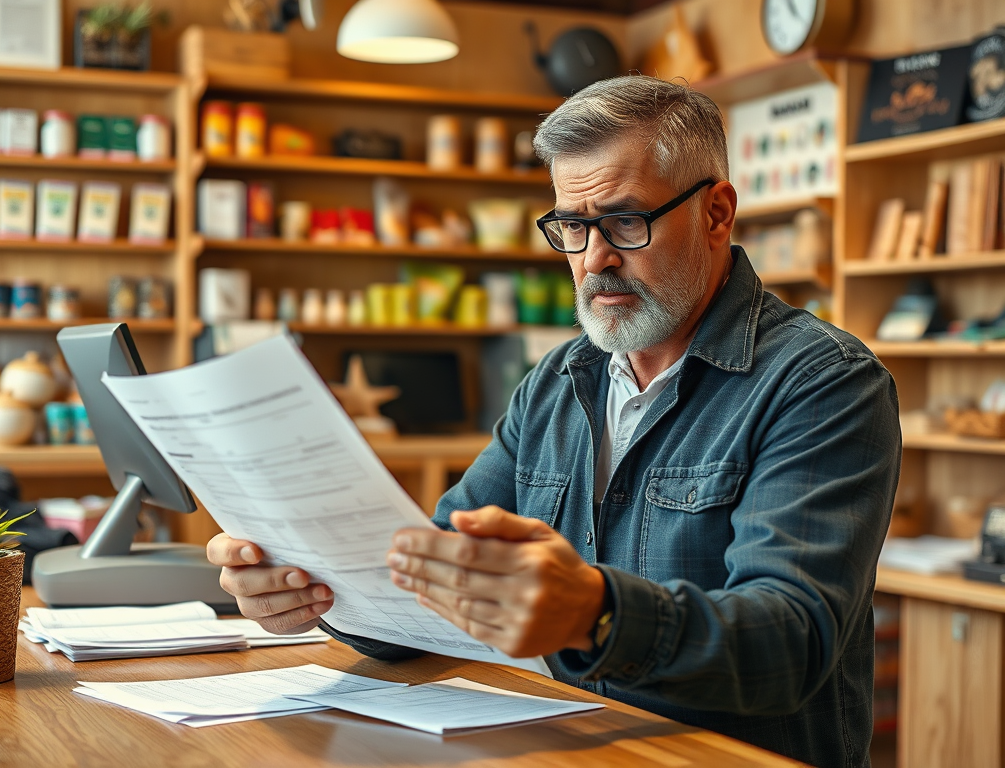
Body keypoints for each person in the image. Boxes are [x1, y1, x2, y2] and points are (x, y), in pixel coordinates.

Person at [207, 75, 900, 768]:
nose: (594, 259)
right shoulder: (557, 382)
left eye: (626, 221)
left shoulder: (823, 382)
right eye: (573, 225)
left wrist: (595, 613)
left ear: (717, 213)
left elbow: (790, 641)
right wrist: (315, 591)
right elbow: (436, 581)